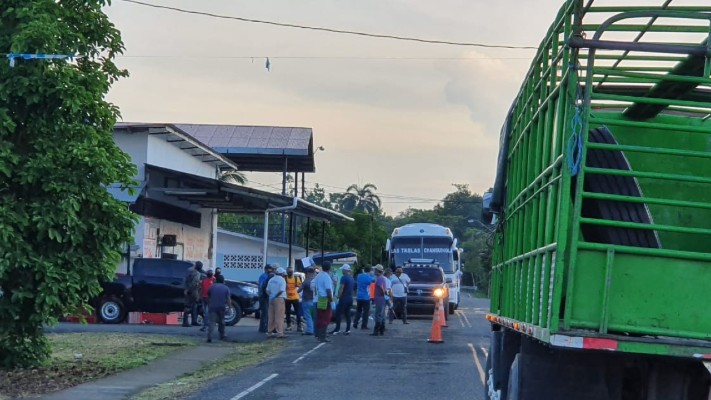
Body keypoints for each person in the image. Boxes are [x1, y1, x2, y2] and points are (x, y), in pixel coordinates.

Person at [311, 261, 334, 343]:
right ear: (329, 268)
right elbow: (328, 290)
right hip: (325, 298)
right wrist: (331, 300)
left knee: (320, 318)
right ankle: (322, 336)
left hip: (319, 298)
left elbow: (313, 285)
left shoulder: (318, 276)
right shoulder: (326, 277)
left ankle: (319, 334)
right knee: (326, 318)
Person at [331, 264, 355, 335]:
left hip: (344, 298)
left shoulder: (344, 278)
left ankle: (337, 329)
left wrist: (338, 296)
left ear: (345, 270)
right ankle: (348, 329)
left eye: (342, 270)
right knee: (347, 313)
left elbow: (341, 288)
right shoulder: (351, 278)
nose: (342, 271)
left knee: (338, 313)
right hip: (350, 298)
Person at [206, 274, 230, 343]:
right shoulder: (226, 288)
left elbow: (208, 295)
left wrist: (209, 304)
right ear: (223, 280)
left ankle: (209, 336)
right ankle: (222, 335)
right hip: (222, 307)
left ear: (216, 280)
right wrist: (229, 307)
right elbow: (228, 299)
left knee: (212, 322)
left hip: (212, 307)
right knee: (222, 322)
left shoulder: (212, 287)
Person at [266, 267, 287, 339]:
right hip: (279, 298)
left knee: (271, 316)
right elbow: (281, 290)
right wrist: (275, 296)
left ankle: (269, 332)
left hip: (271, 299)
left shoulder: (271, 279)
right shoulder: (282, 280)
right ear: (281, 273)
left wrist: (271, 296)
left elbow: (267, 290)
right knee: (279, 316)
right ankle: (280, 333)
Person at [182, 261, 203, 327]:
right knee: (190, 306)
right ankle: (186, 322)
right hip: (193, 291)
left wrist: (186, 289)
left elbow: (185, 280)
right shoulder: (197, 274)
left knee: (191, 306)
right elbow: (194, 284)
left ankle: (192, 321)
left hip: (188, 290)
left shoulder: (189, 270)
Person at [354, 265, 374, 330]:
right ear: (370, 270)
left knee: (358, 310)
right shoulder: (369, 277)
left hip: (359, 296)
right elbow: (373, 281)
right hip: (366, 297)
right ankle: (364, 325)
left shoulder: (359, 276)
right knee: (366, 312)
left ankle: (355, 322)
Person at [284, 266, 303, 333]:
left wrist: (297, 291)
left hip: (295, 297)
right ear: (287, 272)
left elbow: (301, 286)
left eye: (291, 272)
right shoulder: (285, 279)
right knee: (287, 312)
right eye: (289, 272)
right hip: (287, 298)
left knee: (298, 313)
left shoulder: (296, 278)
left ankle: (299, 326)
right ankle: (288, 326)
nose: (290, 273)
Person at [370, 264, 388, 336]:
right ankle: (381, 330)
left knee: (378, 315)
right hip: (381, 299)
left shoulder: (380, 278)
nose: (374, 271)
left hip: (379, 299)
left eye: (375, 270)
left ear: (378, 271)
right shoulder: (382, 278)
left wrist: (383, 293)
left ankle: (376, 331)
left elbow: (381, 287)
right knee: (382, 314)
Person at [257, 264, 274, 333]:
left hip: (266, 296)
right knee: (265, 313)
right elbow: (261, 287)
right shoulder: (263, 276)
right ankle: (263, 328)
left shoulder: (269, 276)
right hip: (263, 296)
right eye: (269, 269)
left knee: (266, 313)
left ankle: (264, 328)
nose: (270, 270)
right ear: (266, 269)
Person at [301, 267, 316, 336]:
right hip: (314, 300)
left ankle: (310, 330)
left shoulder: (306, 281)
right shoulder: (315, 281)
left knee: (308, 316)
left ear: (307, 273)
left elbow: (299, 290)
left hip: (306, 300)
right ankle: (314, 329)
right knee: (313, 316)